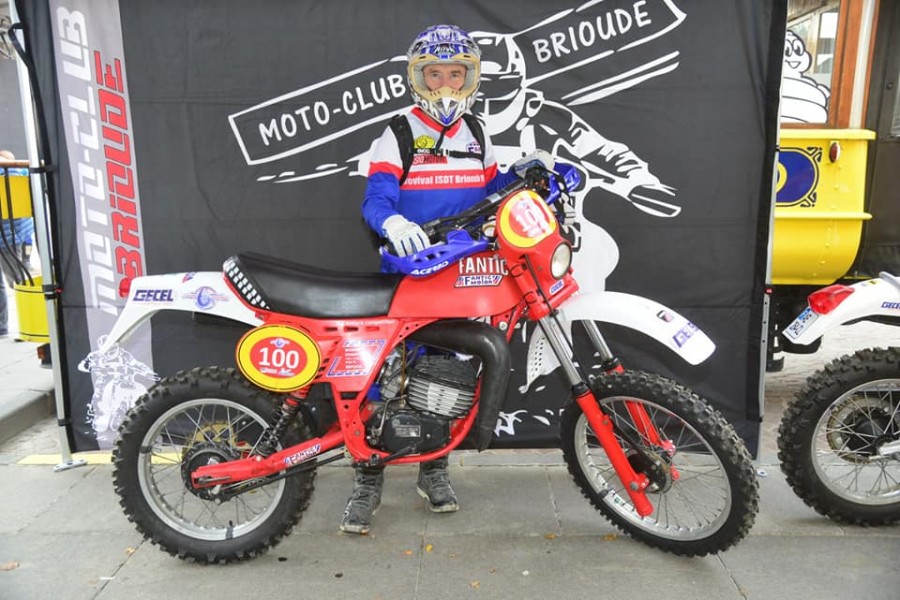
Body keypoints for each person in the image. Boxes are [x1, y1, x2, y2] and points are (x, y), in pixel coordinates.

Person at [346, 24, 553, 534]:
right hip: (406, 276)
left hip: (461, 274)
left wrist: (521, 174)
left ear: (470, 79)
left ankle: (433, 468)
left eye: (455, 74)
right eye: (434, 74)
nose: (445, 85)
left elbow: (489, 189)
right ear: (418, 78)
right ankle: (368, 478)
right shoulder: (398, 131)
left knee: (445, 376)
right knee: (383, 378)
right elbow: (376, 197)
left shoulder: (476, 132)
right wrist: (393, 223)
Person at [0, 149, 35, 338]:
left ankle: (30, 323)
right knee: (16, 280)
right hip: (14, 233)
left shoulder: (8, 171)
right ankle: (5, 326)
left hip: (8, 236)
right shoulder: (14, 169)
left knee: (17, 281)